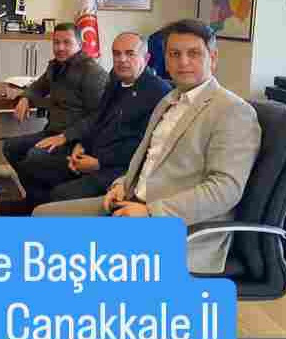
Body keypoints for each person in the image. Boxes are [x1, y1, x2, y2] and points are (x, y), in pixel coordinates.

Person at [34, 19, 262, 275]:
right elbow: (148, 159)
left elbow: (224, 190)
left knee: (65, 255)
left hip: (175, 228)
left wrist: (151, 212)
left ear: (213, 58)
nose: (183, 62)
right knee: (42, 217)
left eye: (194, 53)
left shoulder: (232, 111)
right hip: (130, 202)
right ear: (165, 60)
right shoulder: (170, 99)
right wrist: (121, 184)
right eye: (174, 54)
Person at [11, 32, 171, 209]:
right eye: (116, 54)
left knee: (61, 194)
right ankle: (33, 208)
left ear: (146, 58)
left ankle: (44, 212)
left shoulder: (158, 91)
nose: (122, 60)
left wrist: (99, 162)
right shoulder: (116, 78)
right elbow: (98, 117)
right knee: (32, 166)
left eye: (130, 53)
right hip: (92, 153)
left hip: (119, 169)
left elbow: (143, 145)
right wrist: (82, 145)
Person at [1, 22, 108, 212]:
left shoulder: (92, 73)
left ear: (80, 44)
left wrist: (65, 137)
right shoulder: (56, 66)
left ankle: (46, 203)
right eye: (56, 42)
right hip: (53, 132)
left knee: (35, 158)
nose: (60, 48)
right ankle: (36, 200)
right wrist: (26, 97)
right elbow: (38, 86)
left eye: (67, 42)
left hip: (77, 140)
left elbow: (98, 116)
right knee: (12, 147)